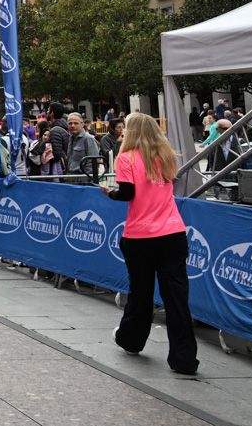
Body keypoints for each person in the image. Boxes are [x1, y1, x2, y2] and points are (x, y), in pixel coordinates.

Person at [102, 112, 198, 376]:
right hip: (172, 232)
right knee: (177, 297)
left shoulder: (126, 158)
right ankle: (184, 359)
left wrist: (109, 193)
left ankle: (131, 338)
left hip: (140, 235)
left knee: (141, 292)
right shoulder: (165, 157)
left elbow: (128, 193)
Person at [62, 113, 102, 180]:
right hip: (71, 178)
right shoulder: (71, 138)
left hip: (83, 180)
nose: (72, 125)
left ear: (82, 124)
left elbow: (93, 162)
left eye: (76, 123)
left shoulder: (88, 138)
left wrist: (85, 179)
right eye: (70, 123)